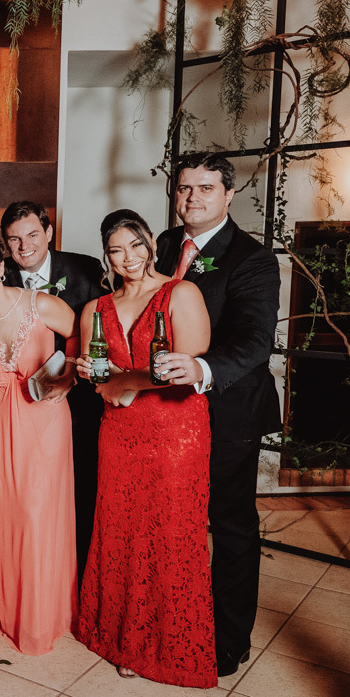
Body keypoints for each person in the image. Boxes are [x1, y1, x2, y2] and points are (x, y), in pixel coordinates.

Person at [74, 209, 215, 686]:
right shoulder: (95, 309)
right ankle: (119, 636)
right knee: (120, 530)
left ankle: (166, 646)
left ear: (152, 243)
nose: (128, 258)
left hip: (176, 432)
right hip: (118, 432)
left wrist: (121, 382)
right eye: (117, 250)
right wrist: (87, 375)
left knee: (170, 533)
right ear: (106, 255)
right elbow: (93, 372)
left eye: (136, 245)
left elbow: (184, 369)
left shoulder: (182, 293)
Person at [153, 152, 281, 678]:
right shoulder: (164, 246)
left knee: (229, 524)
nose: (192, 199)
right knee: (174, 517)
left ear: (229, 195)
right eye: (184, 189)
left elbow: (255, 339)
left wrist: (201, 368)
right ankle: (173, 614)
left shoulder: (252, 259)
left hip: (226, 409)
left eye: (205, 189)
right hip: (167, 411)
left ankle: (229, 637)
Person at [0, 233, 77, 655]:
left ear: (1, 265)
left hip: (43, 416)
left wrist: (69, 376)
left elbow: (83, 334)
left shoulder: (39, 303)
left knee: (36, 512)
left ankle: (40, 614)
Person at [1, 201, 105, 579]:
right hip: (22, 402)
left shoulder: (86, 268)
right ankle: (30, 569)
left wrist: (74, 376)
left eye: (31, 235)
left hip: (77, 399)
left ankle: (74, 573)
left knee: (78, 486)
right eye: (13, 240)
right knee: (28, 491)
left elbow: (101, 327)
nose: (24, 246)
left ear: (48, 233)